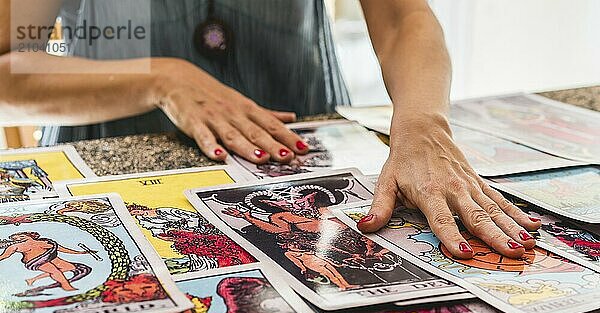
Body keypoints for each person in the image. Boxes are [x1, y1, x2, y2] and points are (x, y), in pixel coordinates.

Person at [0, 0, 541, 260]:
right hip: (110, 170)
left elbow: (403, 18)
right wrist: (159, 78)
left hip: (306, 168)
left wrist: (422, 121)